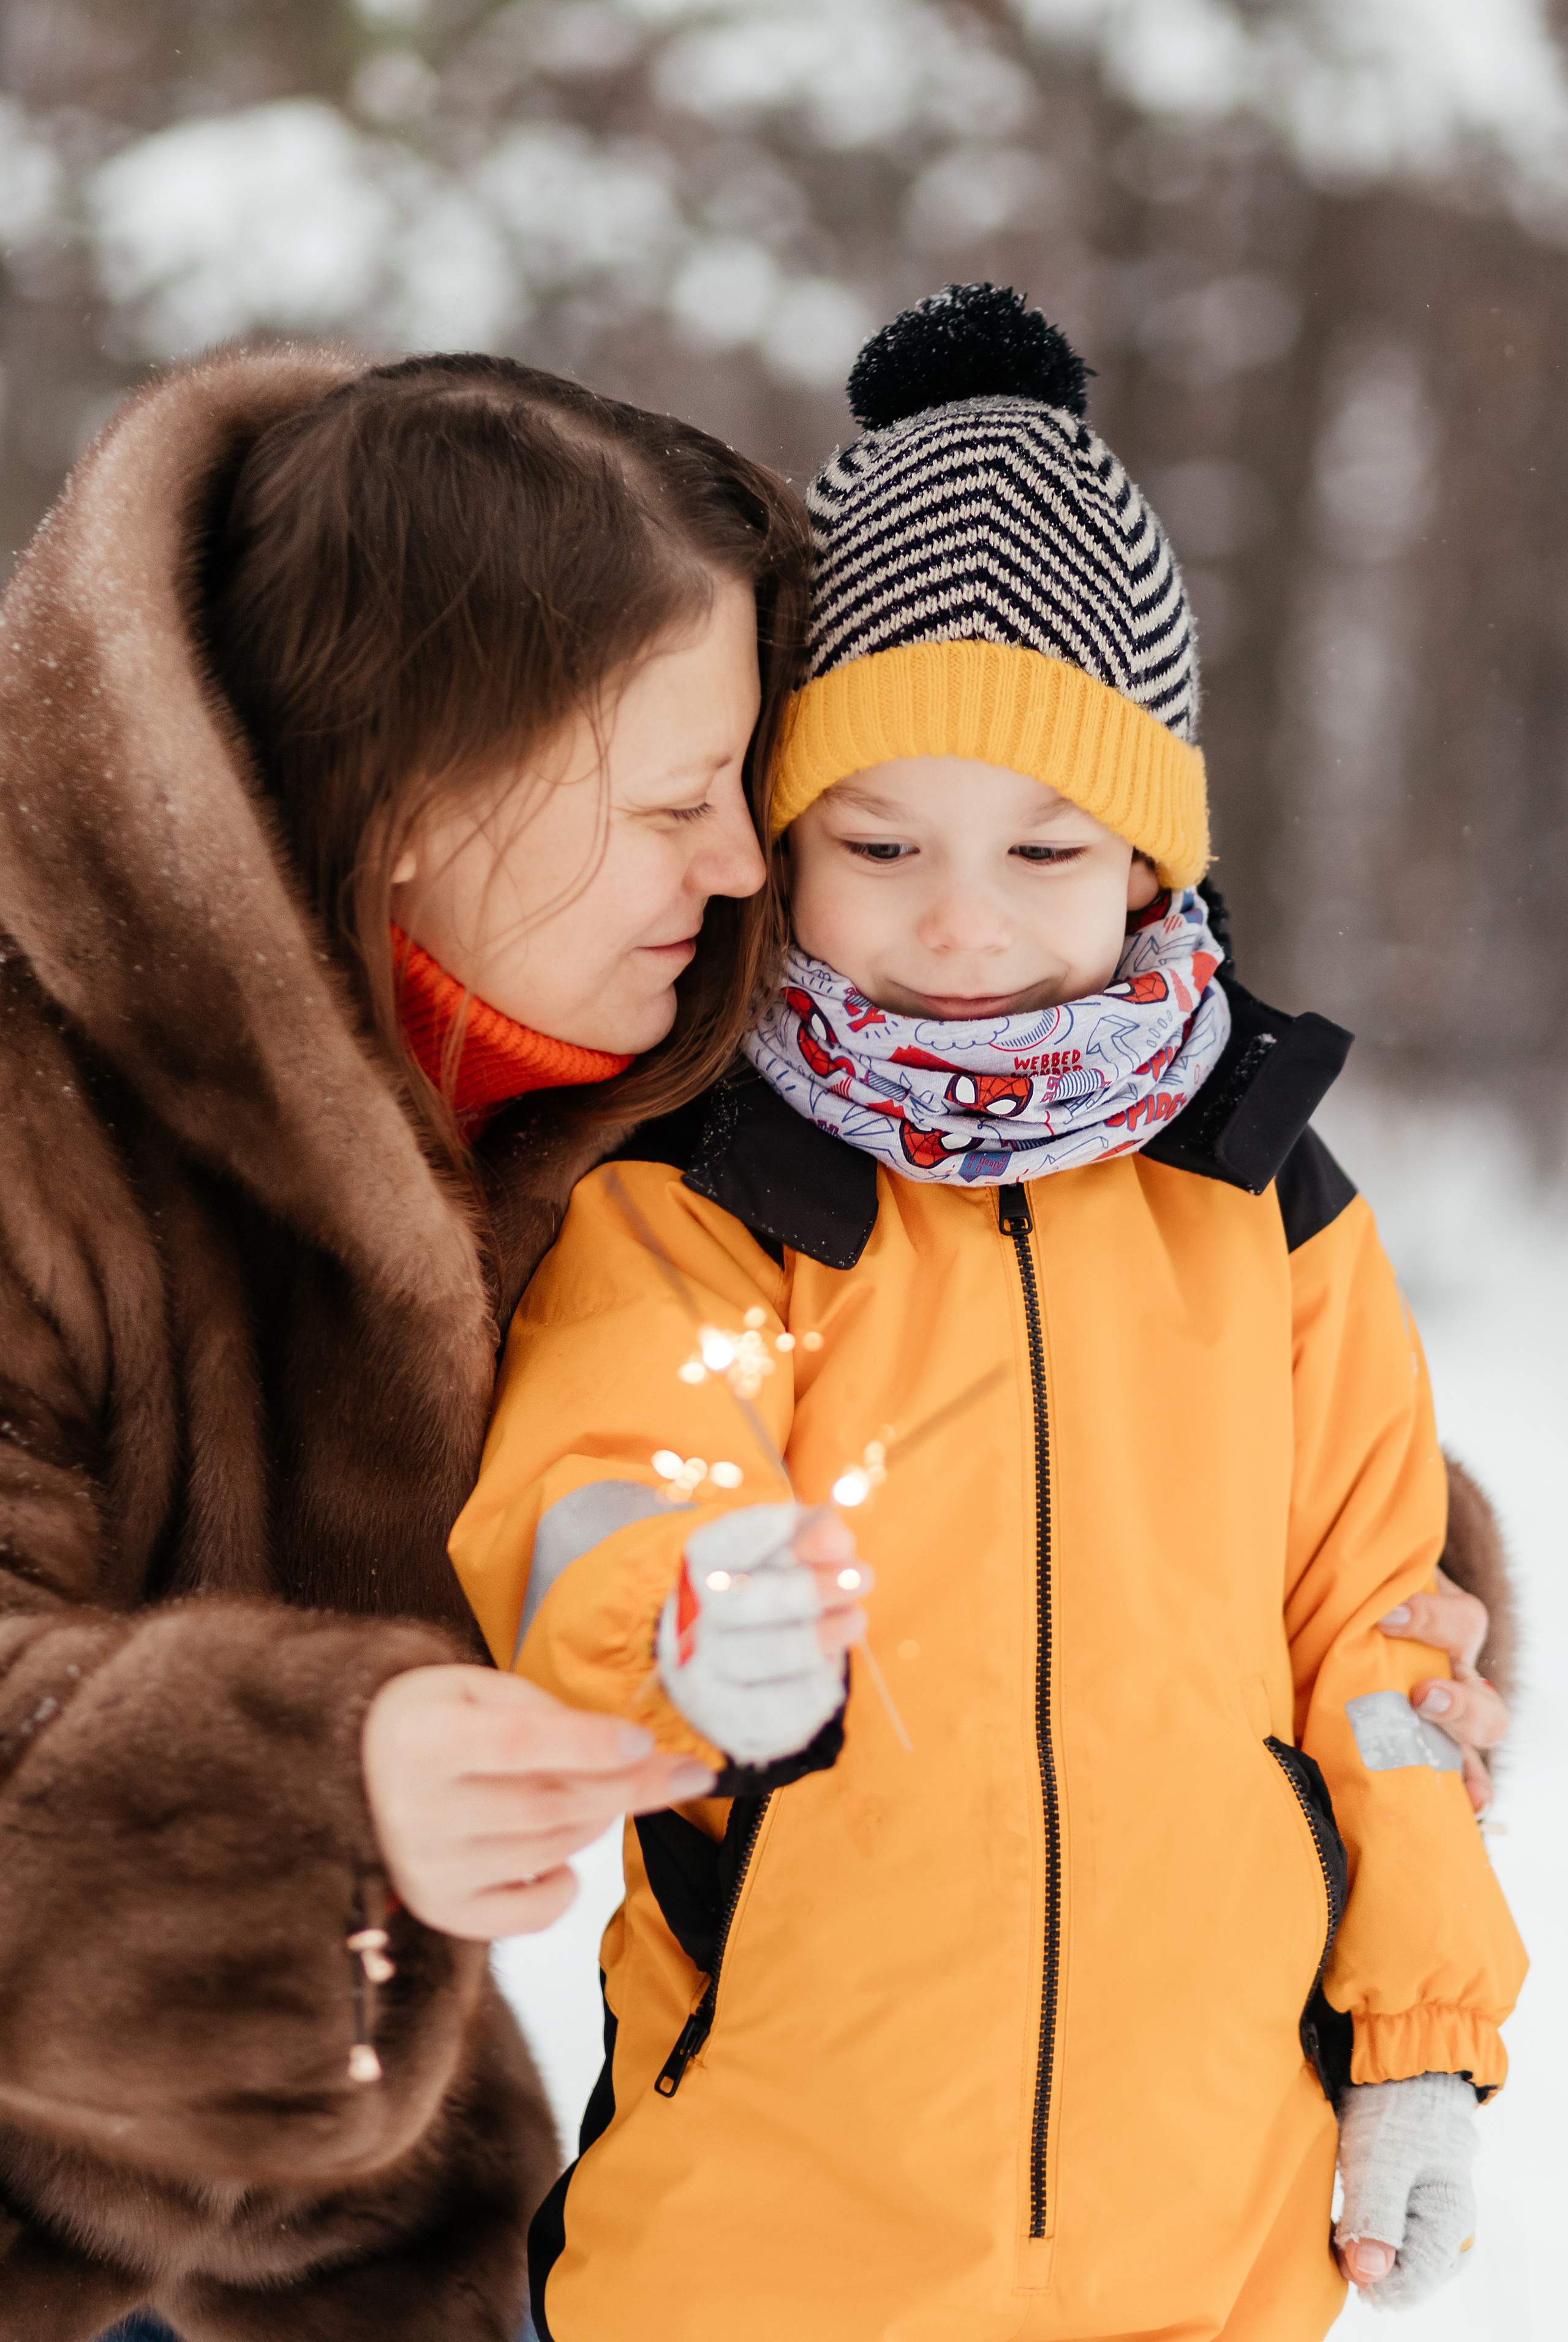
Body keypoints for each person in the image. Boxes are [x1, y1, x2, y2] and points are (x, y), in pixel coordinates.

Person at [448, 288, 1528, 2342]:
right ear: (785, 846)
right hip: (763, 2236)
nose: (963, 916)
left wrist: (1421, 2039)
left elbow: (1383, 1644)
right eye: (881, 841)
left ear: (1150, 869)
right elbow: (603, 1470)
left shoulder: (1267, 1206)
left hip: (1202, 2235)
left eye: (1045, 845)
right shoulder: (716, 1191)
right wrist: (682, 1616)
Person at [0, 346, 808, 2337]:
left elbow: (1016, 1382)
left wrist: (1346, 1578)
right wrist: (311, 1790)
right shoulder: (25, 1116)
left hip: (370, 2220)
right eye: (675, 800)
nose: (740, 864)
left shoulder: (640, 1123)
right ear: (426, 791)